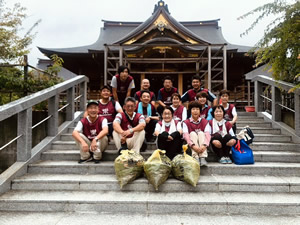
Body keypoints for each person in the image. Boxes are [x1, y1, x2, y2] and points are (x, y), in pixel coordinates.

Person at [182, 101, 211, 167]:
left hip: (203, 146)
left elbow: (208, 135)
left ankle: (202, 157)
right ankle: (196, 157)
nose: (195, 111)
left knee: (201, 133)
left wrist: (204, 145)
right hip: (190, 146)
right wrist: (193, 146)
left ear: (200, 111)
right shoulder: (186, 122)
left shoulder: (205, 121)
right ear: (190, 111)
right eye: (193, 109)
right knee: (192, 133)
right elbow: (186, 136)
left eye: (197, 109)